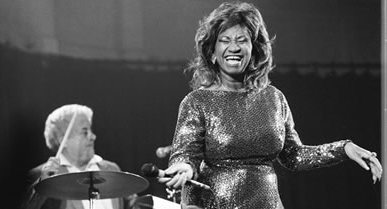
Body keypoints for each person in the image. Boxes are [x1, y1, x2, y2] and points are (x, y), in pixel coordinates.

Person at [157, 1, 383, 209]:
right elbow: (185, 155)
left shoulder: (274, 99)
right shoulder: (197, 102)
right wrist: (184, 168)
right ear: (213, 53)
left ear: (254, 50)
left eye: (241, 40)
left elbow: (294, 156)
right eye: (224, 40)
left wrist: (343, 148)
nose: (233, 47)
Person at [22, 104, 137, 209]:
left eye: (91, 130)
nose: (93, 136)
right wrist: (43, 183)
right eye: (84, 132)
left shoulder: (111, 169)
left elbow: (135, 204)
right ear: (64, 140)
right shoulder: (40, 176)